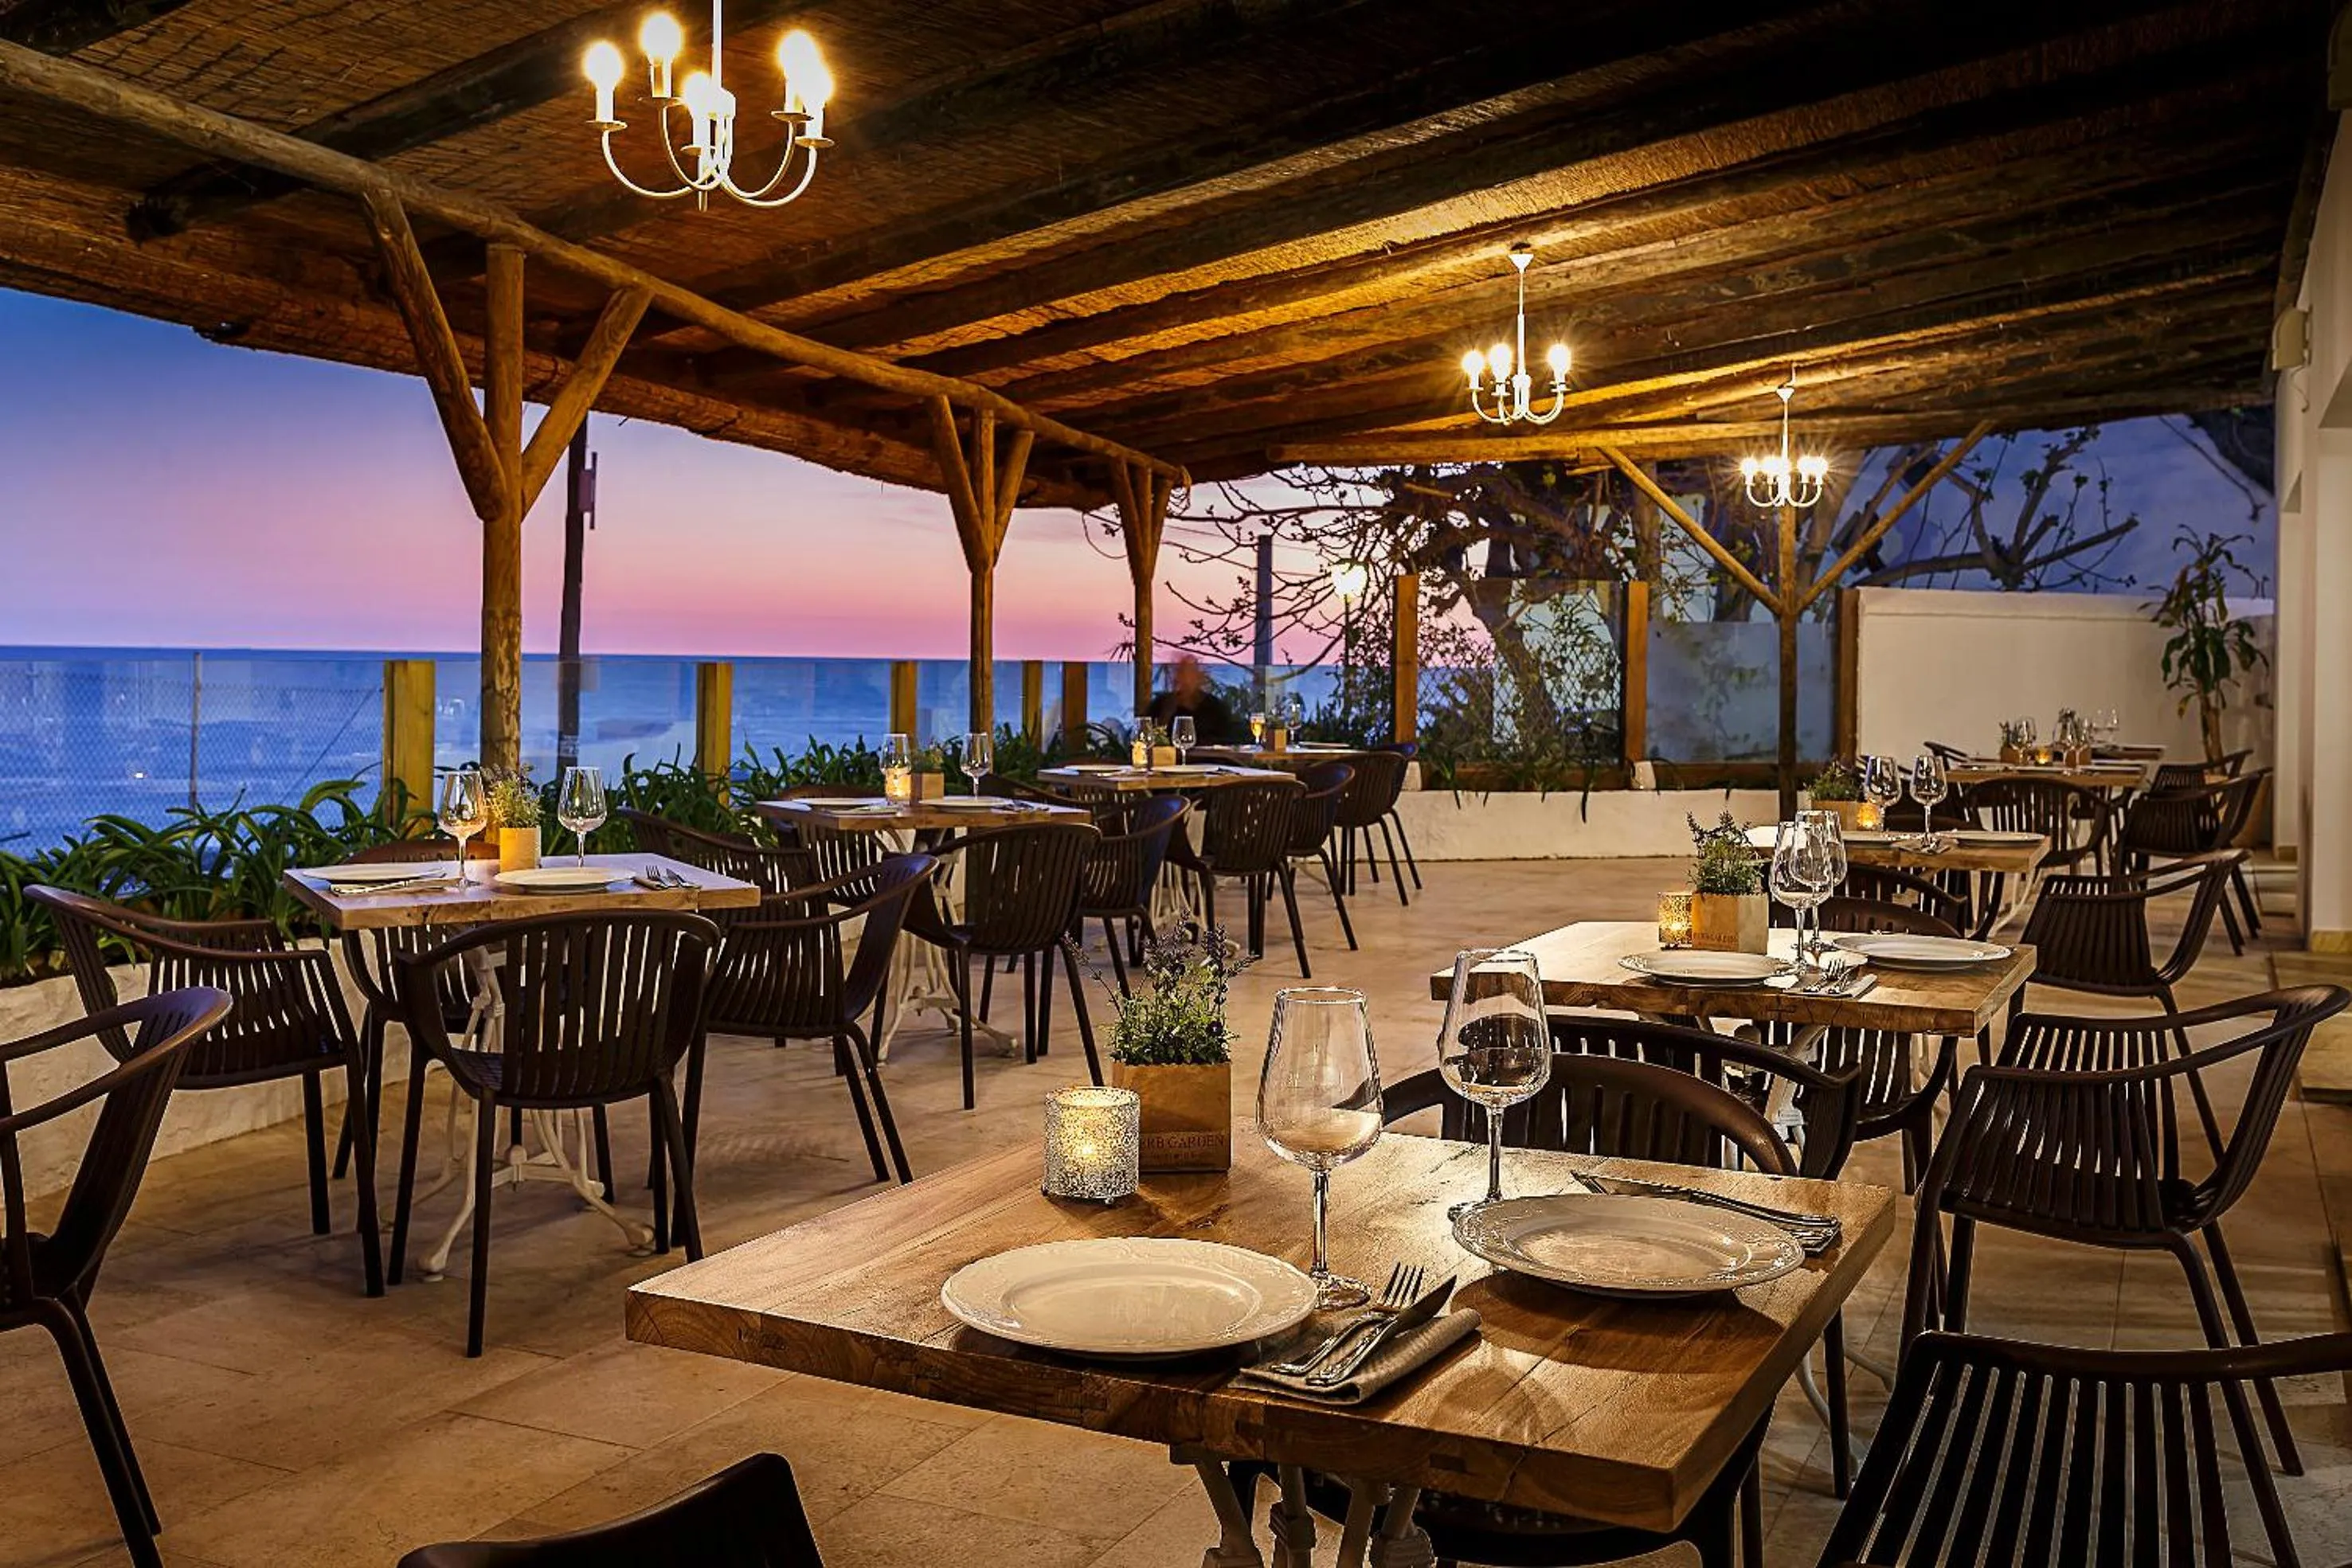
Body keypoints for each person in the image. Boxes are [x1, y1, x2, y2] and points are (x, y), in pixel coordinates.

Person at [1145, 656, 1242, 744]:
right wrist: (1166, 715)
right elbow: (1147, 739)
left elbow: (1229, 740)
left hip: (1208, 761)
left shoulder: (1215, 707)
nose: (1185, 680)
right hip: (1170, 761)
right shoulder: (1161, 705)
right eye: (1181, 673)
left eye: (1189, 675)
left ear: (1199, 678)